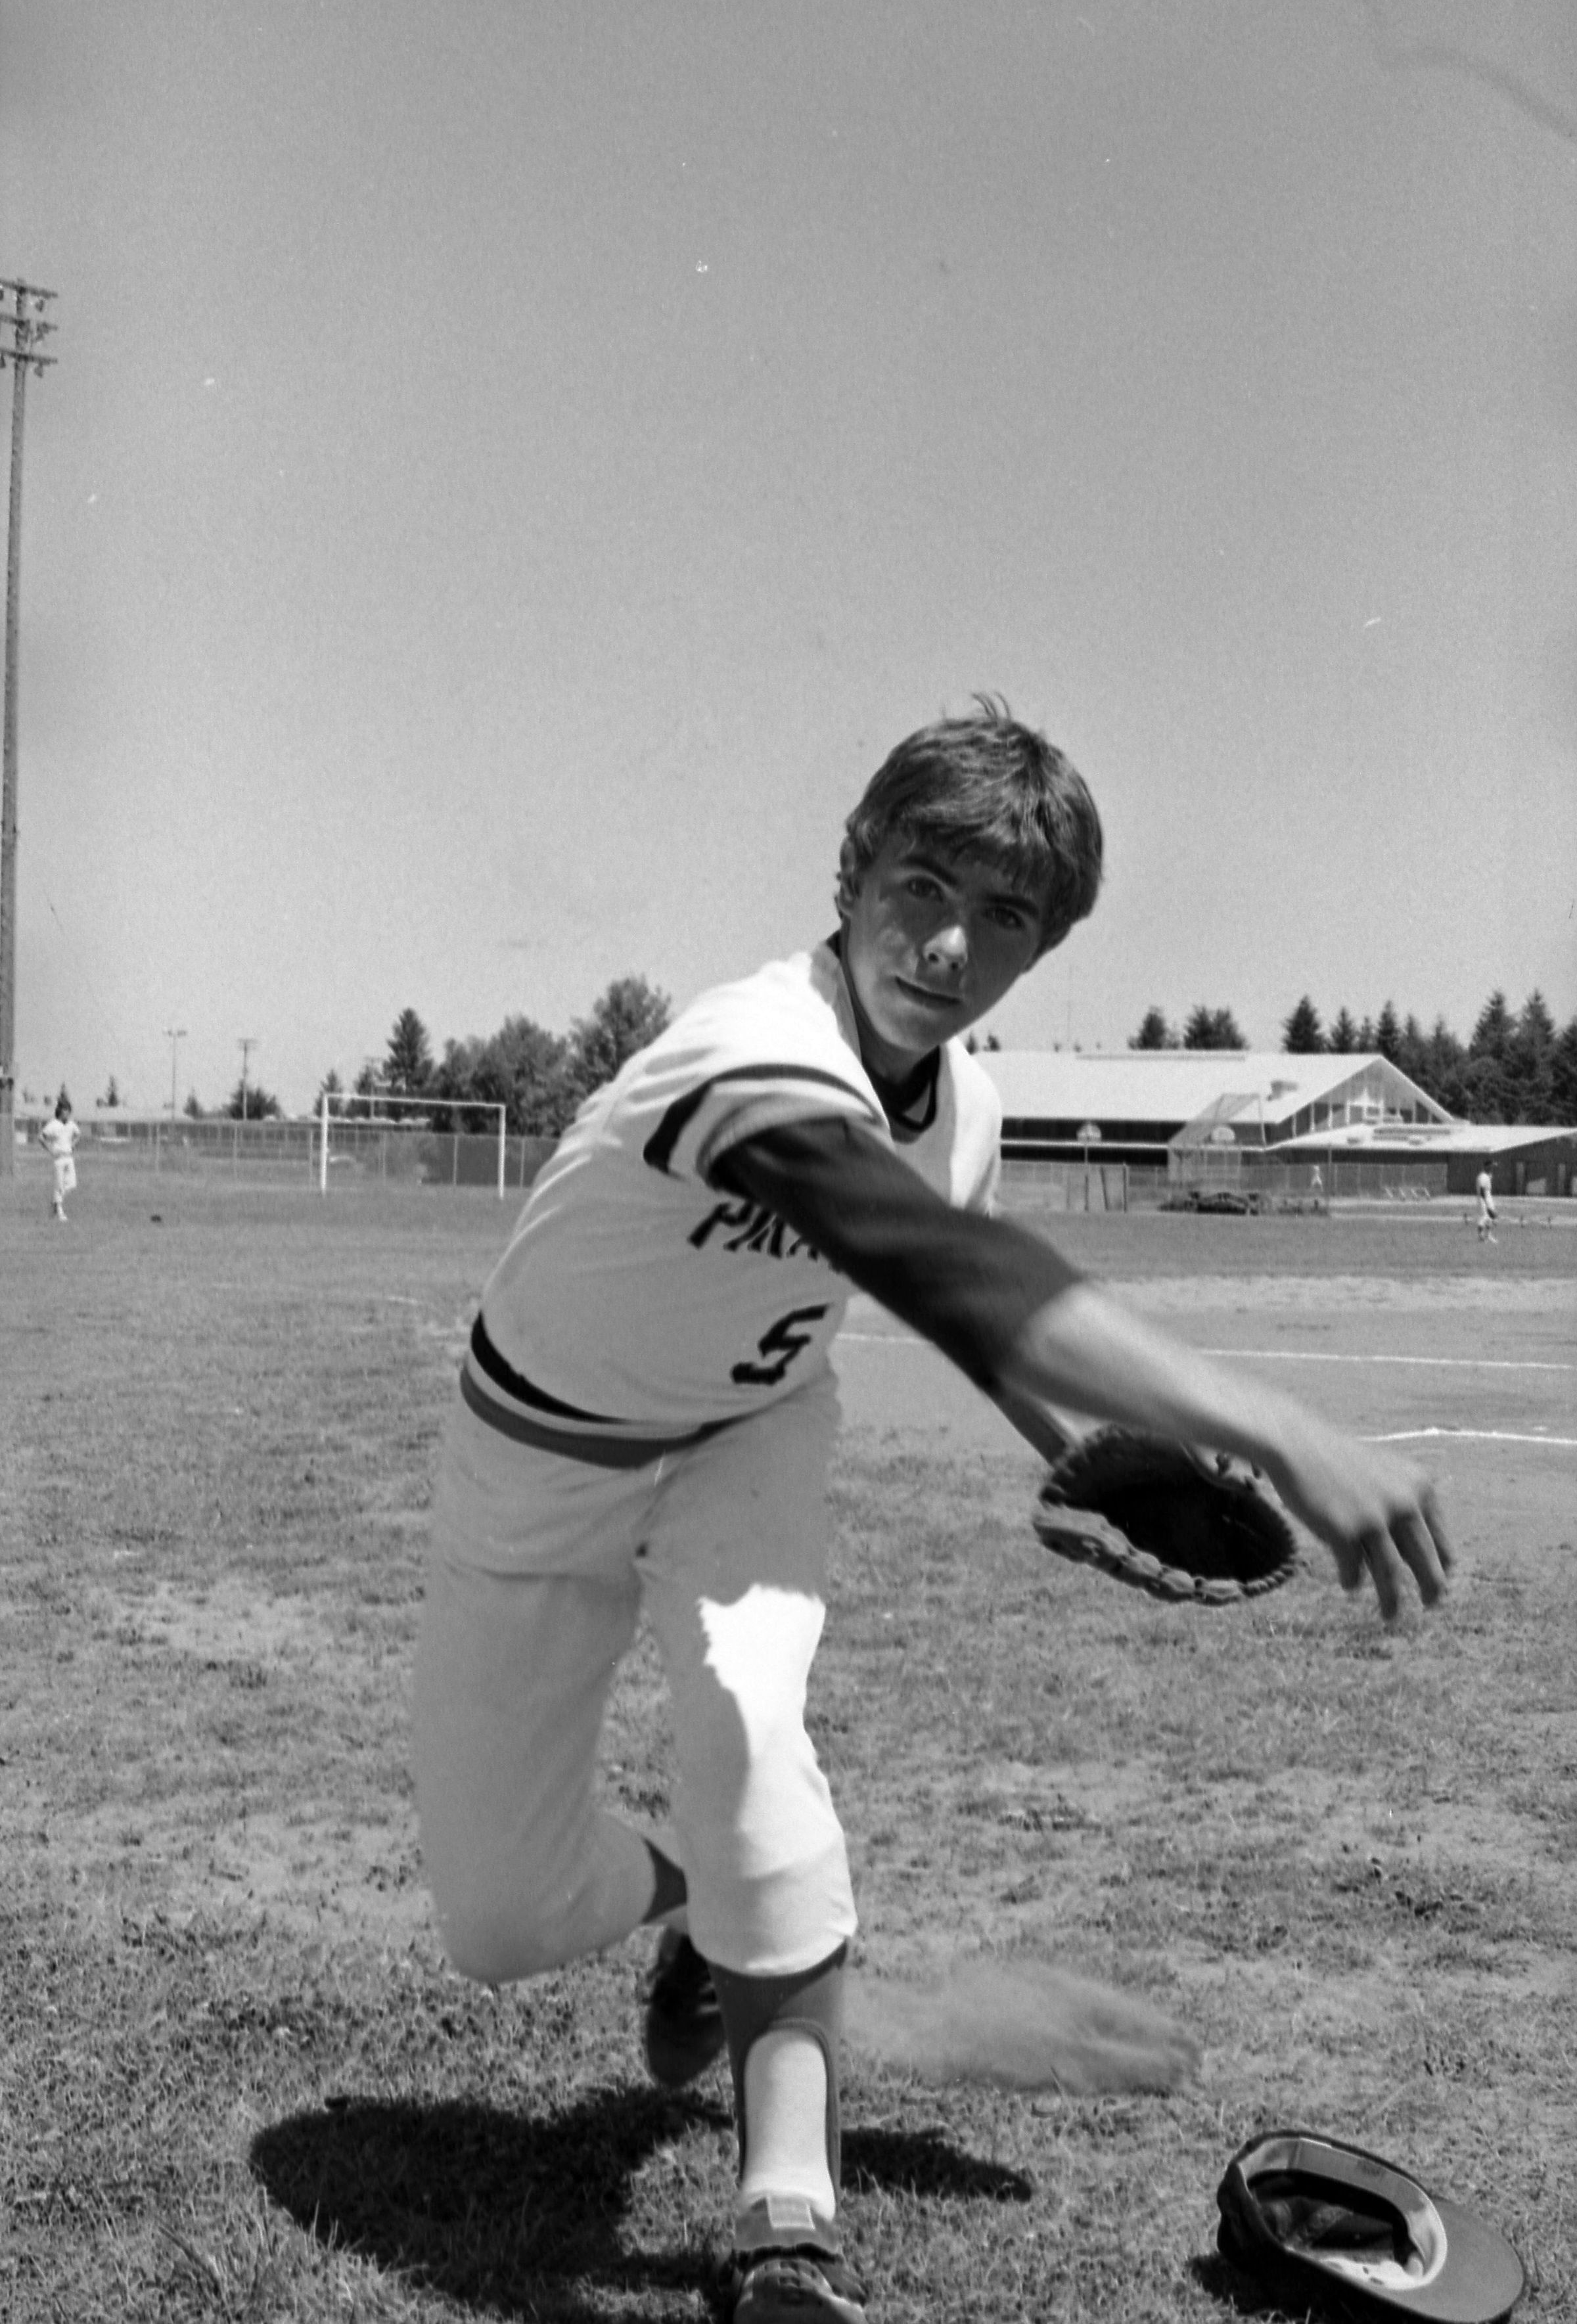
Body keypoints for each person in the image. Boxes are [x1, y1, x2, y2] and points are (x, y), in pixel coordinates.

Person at [411, 696, 1451, 2324]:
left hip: (748, 1434)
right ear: (851, 872)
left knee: (751, 1724)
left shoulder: (959, 1107)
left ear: (1047, 946)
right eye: (921, 886)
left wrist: (1072, 1446)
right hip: (536, 1452)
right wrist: (1275, 1425)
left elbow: (939, 1302)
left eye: (1007, 916)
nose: (952, 944)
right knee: (496, 1916)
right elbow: (930, 1256)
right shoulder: (749, 1044)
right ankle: (705, 1905)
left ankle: (786, 2216)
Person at [38, 1093, 80, 1223]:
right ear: (60, 1111)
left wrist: (73, 1145)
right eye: (64, 1110)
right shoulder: (53, 1124)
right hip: (59, 1159)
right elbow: (42, 1137)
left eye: (68, 1110)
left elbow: (78, 1135)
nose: (67, 1113)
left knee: (72, 1184)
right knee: (59, 1185)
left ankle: (55, 1203)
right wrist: (50, 1149)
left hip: (69, 1157)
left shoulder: (71, 1125)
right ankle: (60, 1212)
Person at [1475, 1164, 1497, 1242]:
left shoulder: (1488, 1176)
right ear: (1486, 1167)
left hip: (1488, 1198)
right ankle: (1480, 1236)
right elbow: (1482, 1190)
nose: (1492, 1169)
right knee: (1485, 1217)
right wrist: (1486, 1202)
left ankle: (1488, 1236)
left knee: (1491, 1218)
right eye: (1491, 1167)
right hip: (1484, 1199)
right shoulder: (1483, 1177)